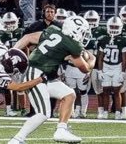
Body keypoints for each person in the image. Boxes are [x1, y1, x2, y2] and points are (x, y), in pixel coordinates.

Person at [10, 15, 92, 143]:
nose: (84, 35)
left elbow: (27, 37)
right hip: (36, 73)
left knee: (69, 95)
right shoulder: (73, 45)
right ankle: (17, 140)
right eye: (82, 32)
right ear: (74, 31)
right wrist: (93, 59)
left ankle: (61, 130)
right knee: (43, 113)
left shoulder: (53, 30)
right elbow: (85, 68)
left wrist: (12, 52)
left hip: (44, 76)